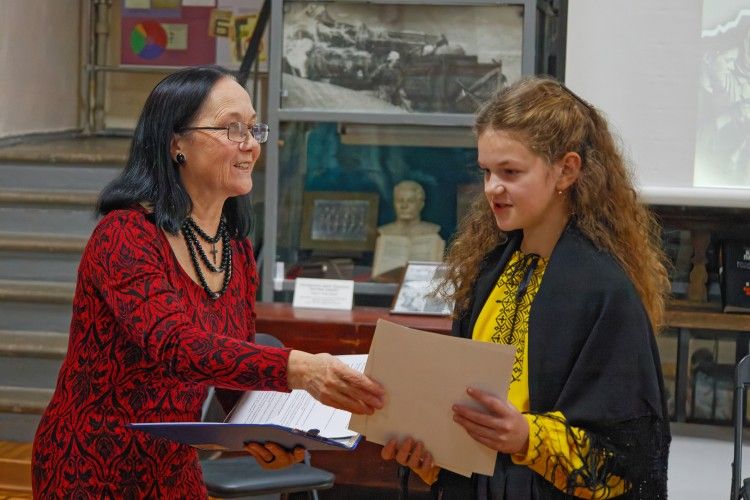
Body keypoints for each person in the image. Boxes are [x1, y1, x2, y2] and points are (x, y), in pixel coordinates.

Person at [31, 65, 385, 498]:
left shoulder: (236, 249)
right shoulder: (124, 235)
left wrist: (264, 432)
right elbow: (176, 346)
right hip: (89, 465)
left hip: (172, 464)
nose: (250, 144)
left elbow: (228, 368)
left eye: (254, 129)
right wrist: (300, 368)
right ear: (176, 143)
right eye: (232, 128)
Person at [381, 76, 671, 499]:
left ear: (567, 170)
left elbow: (625, 461)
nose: (491, 188)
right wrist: (433, 458)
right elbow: (464, 428)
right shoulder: (490, 271)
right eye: (487, 171)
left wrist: (526, 438)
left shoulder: (605, 291)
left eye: (510, 172)